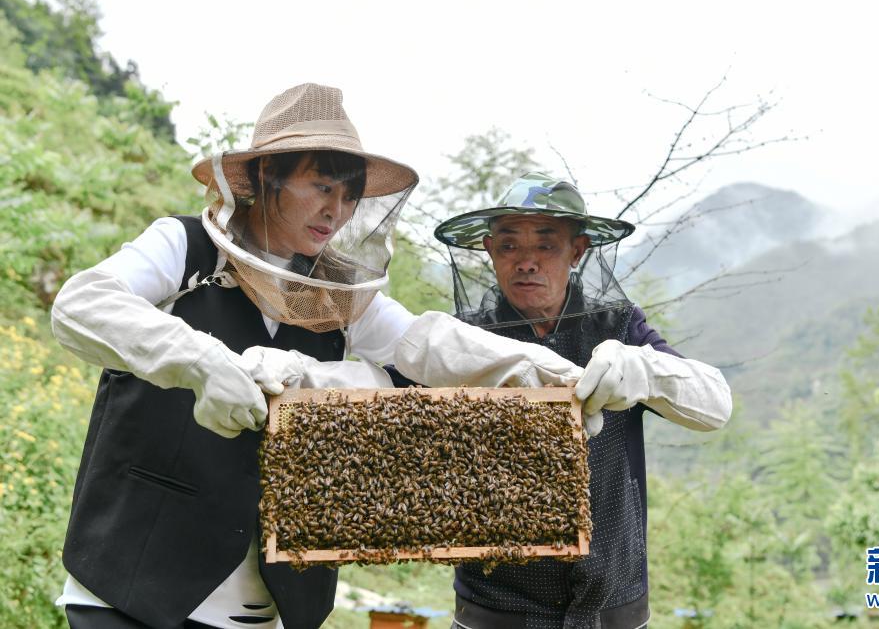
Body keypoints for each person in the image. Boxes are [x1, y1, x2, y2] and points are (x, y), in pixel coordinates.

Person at [50, 83, 427, 629]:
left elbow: (425, 351)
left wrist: (554, 374)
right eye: (322, 186)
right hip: (130, 591)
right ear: (269, 177)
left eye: (348, 196)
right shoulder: (183, 246)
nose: (336, 212)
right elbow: (81, 304)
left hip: (268, 610)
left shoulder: (339, 295)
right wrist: (200, 361)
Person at [394, 172, 733, 628]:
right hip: (494, 608)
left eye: (546, 245)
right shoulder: (459, 340)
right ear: (489, 251)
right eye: (510, 245)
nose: (526, 262)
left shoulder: (619, 326)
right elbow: (375, 396)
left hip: (615, 605)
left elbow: (713, 403)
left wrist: (645, 369)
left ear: (577, 251)